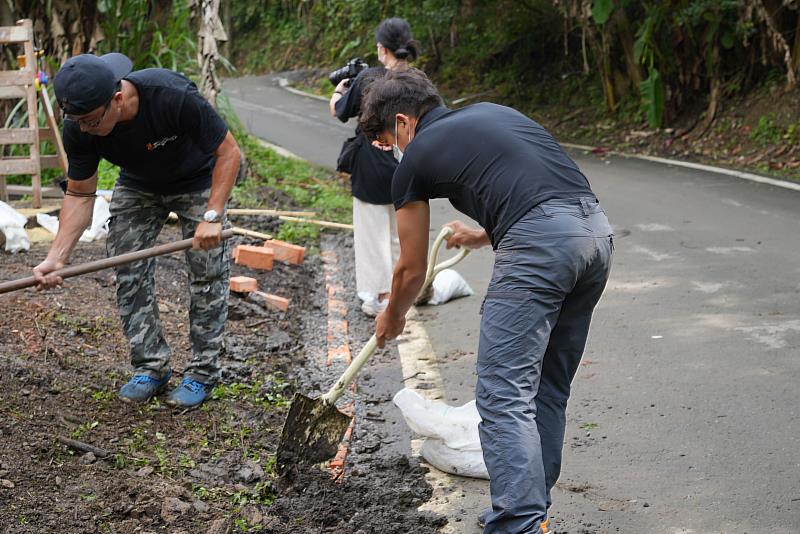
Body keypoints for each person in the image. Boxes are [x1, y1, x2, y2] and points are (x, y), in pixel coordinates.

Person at [359, 69, 614, 534]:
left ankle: (518, 521)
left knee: (503, 395)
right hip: (594, 235)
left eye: (382, 142)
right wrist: (481, 234)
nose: (389, 153)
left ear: (402, 123)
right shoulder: (494, 113)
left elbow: (410, 269)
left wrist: (391, 316)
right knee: (546, 389)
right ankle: (528, 509)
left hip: (539, 246)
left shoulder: (415, 156)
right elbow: (541, 190)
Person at [33, 53, 241, 409]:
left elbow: (229, 152)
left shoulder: (171, 94)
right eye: (76, 121)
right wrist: (57, 257)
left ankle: (203, 372)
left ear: (116, 100)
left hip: (198, 180)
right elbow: (80, 194)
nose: (83, 129)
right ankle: (151, 366)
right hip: (138, 185)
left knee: (206, 273)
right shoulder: (79, 125)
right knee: (128, 268)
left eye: (89, 121)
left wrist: (212, 214)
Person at [328, 17, 419, 317]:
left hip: (371, 168)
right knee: (400, 234)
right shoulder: (418, 83)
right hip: (409, 166)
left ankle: (379, 296)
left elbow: (339, 112)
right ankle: (404, 293)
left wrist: (339, 92)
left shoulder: (369, 79)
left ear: (382, 49)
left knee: (372, 235)